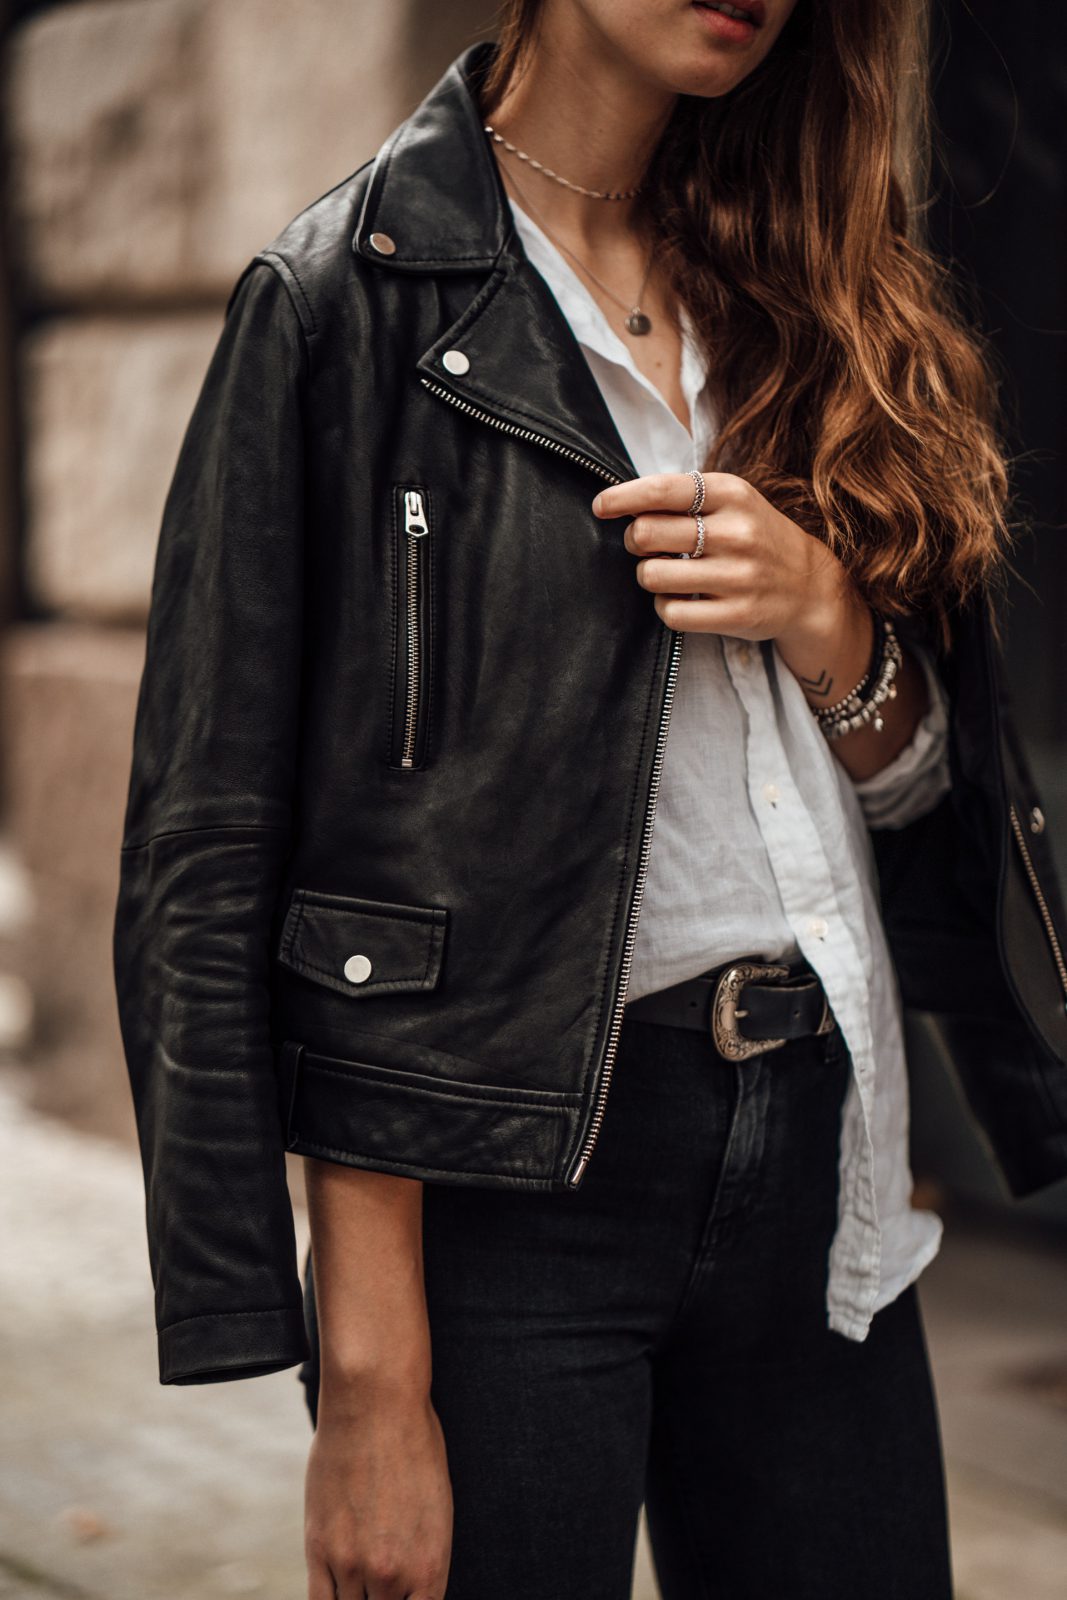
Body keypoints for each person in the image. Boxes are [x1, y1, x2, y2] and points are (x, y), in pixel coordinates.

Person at [112, 5, 1067, 1599]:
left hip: (826, 1159)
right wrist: (366, 1385)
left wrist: (832, 625)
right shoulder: (345, 301)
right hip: (514, 1200)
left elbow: (921, 791)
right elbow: (242, 859)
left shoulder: (814, 283)